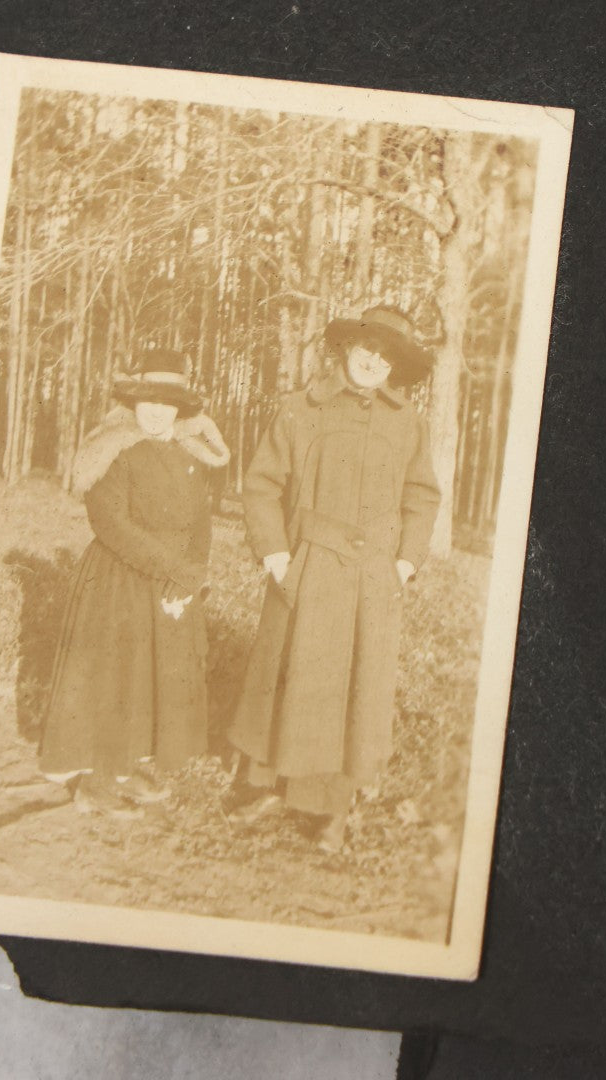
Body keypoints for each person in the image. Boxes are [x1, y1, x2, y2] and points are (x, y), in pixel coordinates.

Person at [225, 306, 442, 851]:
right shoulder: (301, 409)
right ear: (347, 348)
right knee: (290, 678)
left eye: (388, 354)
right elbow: (261, 485)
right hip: (307, 565)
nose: (374, 360)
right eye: (367, 347)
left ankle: (332, 810)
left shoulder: (408, 424)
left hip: (373, 580)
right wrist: (276, 554)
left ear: (397, 366)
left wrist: (405, 563)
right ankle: (268, 785)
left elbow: (422, 496)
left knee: (355, 690)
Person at [39, 349, 228, 816]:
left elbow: (201, 521)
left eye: (168, 403)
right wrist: (174, 571)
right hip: (119, 580)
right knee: (115, 676)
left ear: (181, 409)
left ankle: (130, 764)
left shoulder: (187, 454)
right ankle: (97, 781)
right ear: (133, 404)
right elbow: (112, 524)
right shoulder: (113, 448)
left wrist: (194, 574)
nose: (158, 412)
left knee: (154, 675)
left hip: (170, 582)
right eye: (149, 402)